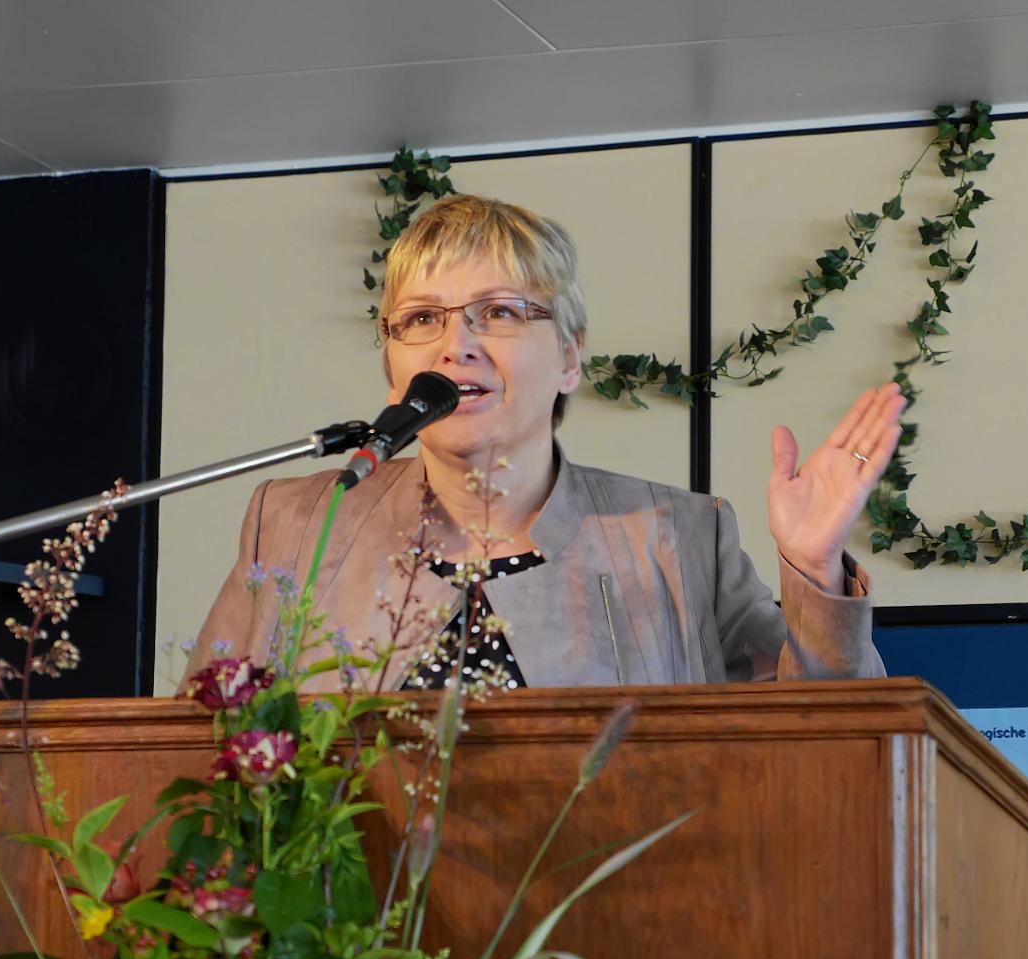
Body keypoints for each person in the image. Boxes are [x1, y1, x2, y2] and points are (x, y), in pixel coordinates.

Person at [182, 194, 903, 693]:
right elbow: (199, 753)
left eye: (498, 312)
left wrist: (815, 572)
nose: (455, 345)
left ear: (569, 357)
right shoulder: (296, 524)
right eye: (423, 319)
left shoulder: (680, 538)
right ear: (392, 365)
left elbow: (823, 747)